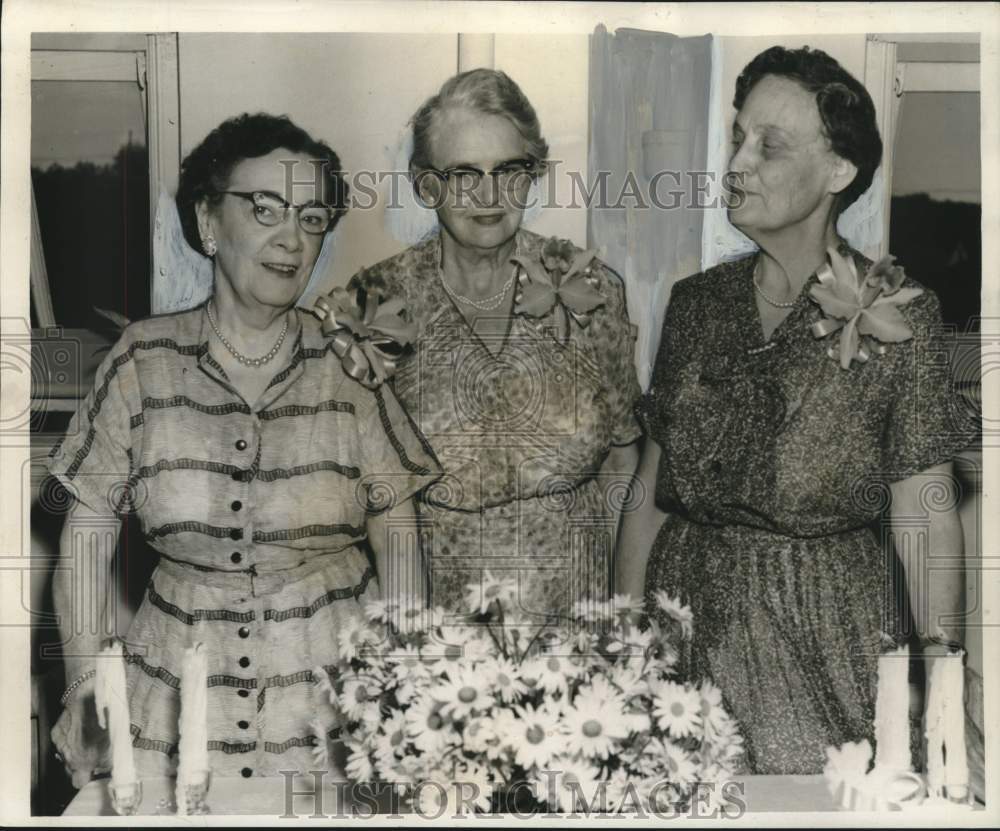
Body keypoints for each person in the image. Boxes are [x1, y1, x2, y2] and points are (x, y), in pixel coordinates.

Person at [47, 113, 440, 784]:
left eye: (312, 218)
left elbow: (398, 540)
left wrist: (401, 682)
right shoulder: (142, 360)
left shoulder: (349, 365)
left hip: (330, 705)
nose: (291, 238)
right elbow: (85, 543)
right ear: (206, 220)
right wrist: (88, 683)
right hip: (170, 706)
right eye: (265, 208)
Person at [617, 47, 978, 774]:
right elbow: (647, 494)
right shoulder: (695, 304)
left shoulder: (897, 314)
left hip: (817, 632)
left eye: (768, 145)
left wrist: (944, 681)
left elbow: (924, 512)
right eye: (736, 138)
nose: (737, 162)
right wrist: (621, 645)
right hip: (681, 625)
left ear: (838, 173)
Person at [350, 69, 642, 618]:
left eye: (509, 170)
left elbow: (624, 457)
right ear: (423, 183)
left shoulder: (592, 289)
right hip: (434, 631)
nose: (488, 195)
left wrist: (611, 610)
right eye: (463, 174)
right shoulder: (379, 299)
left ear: (534, 173)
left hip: (576, 626)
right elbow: (373, 492)